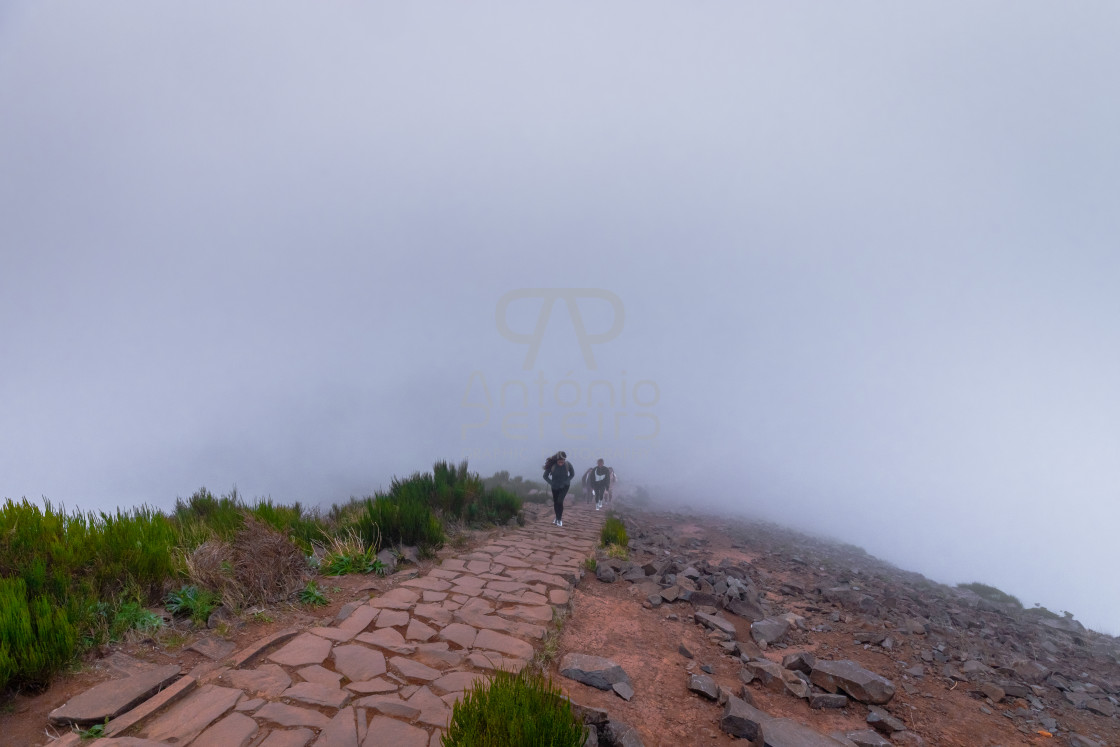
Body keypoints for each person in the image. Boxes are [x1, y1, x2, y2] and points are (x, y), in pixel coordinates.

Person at [542, 451, 575, 526]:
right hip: (555, 486)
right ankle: (556, 518)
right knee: (556, 502)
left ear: (564, 460)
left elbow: (572, 474)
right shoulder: (552, 466)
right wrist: (551, 483)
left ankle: (559, 519)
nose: (561, 462)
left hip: (565, 486)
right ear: (557, 460)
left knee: (560, 501)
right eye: (560, 461)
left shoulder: (567, 464)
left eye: (562, 461)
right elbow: (545, 476)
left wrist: (567, 481)